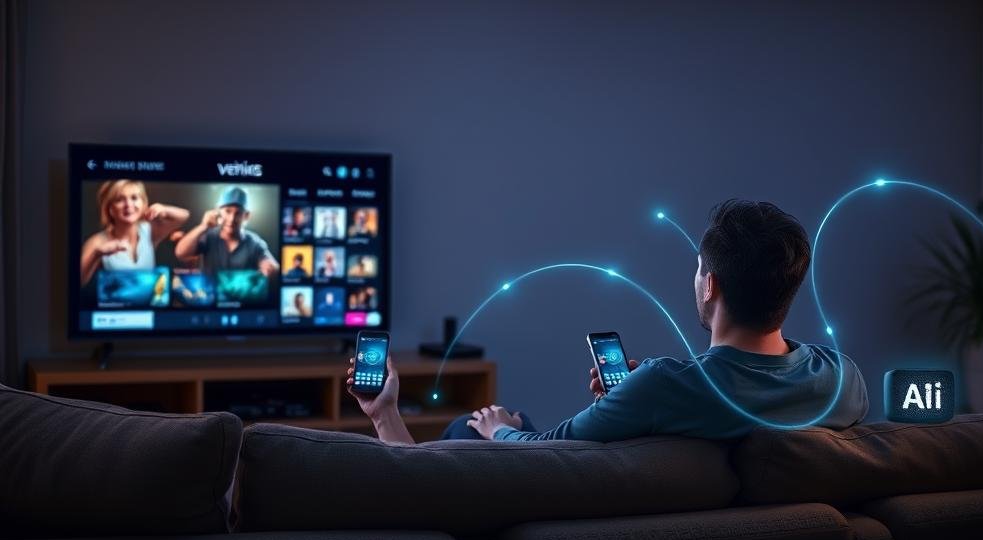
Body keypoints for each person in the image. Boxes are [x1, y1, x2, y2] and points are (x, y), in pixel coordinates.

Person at [346, 199, 869, 444]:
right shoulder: (842, 380)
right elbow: (750, 388)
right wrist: (636, 395)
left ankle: (398, 424)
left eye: (698, 270)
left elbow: (550, 453)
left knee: (473, 424)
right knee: (516, 416)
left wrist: (499, 432)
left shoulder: (665, 385)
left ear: (710, 285)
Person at [80, 180, 190, 286]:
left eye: (134, 198)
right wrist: (96, 254)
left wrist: (164, 210)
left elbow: (184, 216)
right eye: (119, 200)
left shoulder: (150, 230)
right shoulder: (97, 242)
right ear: (110, 208)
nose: (128, 204)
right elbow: (77, 281)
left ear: (143, 203)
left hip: (149, 303)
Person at [175, 187, 279, 277]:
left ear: (246, 216)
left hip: (241, 298)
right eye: (228, 211)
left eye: (238, 213)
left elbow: (272, 266)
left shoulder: (254, 242)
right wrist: (203, 226)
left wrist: (270, 269)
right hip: (212, 297)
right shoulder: (208, 236)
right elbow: (180, 253)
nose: (232, 218)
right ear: (218, 211)